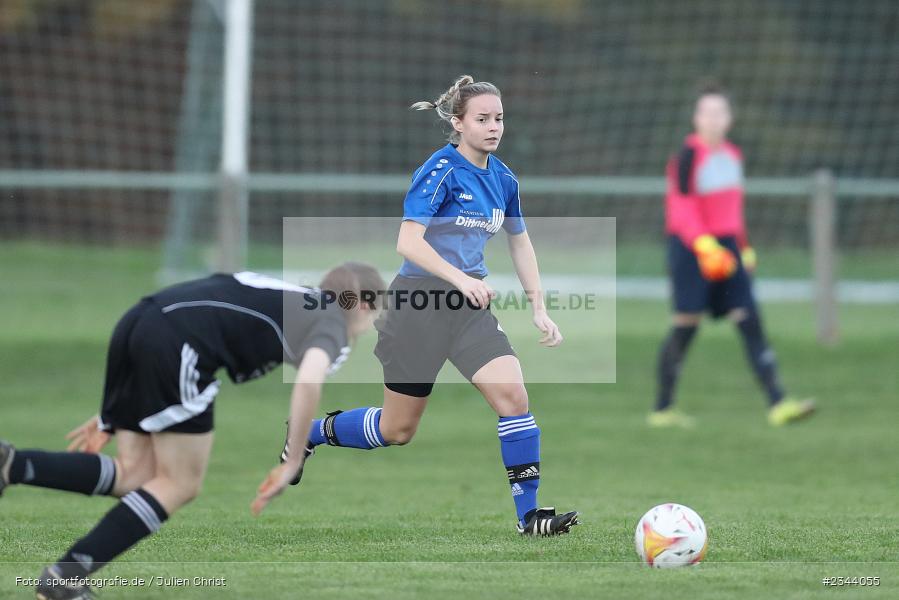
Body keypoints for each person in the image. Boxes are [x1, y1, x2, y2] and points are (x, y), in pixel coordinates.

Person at [280, 75, 579, 536]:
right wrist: (460, 279)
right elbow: (407, 241)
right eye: (482, 119)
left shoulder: (503, 179)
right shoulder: (439, 170)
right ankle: (310, 433)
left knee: (514, 398)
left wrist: (539, 306)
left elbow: (520, 242)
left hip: (468, 312)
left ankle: (530, 518)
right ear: (458, 123)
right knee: (397, 430)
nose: (493, 127)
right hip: (416, 309)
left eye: (499, 118)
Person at [0, 264, 384, 600]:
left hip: (141, 318)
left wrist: (111, 413)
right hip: (180, 345)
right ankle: (65, 578)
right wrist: (293, 459)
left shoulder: (292, 295)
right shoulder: (333, 321)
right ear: (364, 304)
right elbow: (309, 382)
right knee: (180, 483)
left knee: (136, 474)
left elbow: (208, 301)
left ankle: (12, 466)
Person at [649, 84, 816, 428]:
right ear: (696, 118)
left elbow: (733, 211)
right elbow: (681, 209)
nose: (712, 119)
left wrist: (744, 247)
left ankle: (778, 403)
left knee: (750, 320)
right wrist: (704, 245)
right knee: (686, 326)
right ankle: (662, 409)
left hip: (728, 250)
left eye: (719, 112)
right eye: (706, 112)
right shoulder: (687, 157)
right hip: (692, 251)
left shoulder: (732, 156)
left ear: (729, 119)